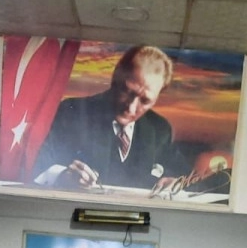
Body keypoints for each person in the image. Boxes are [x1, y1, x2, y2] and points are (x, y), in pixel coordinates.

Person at [32, 46, 188, 191]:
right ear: (116, 76)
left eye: (145, 100)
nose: (131, 107)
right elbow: (37, 166)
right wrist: (63, 176)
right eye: (127, 91)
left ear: (157, 98)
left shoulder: (159, 128)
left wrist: (175, 182)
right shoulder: (72, 112)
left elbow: (184, 175)